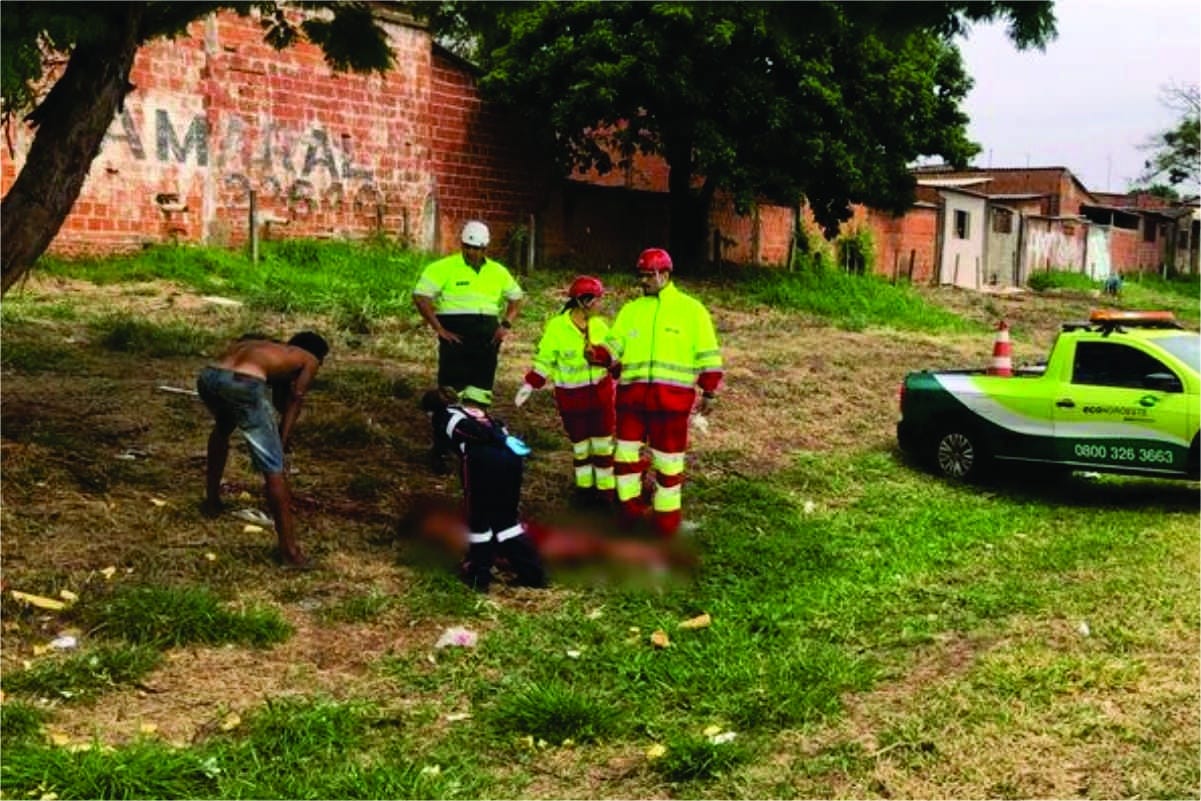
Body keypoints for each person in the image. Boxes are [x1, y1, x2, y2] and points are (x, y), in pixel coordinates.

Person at [588, 248, 723, 538]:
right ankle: (629, 517)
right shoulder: (631, 311)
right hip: (631, 401)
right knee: (624, 460)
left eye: (649, 276)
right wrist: (599, 355)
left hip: (671, 403)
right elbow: (615, 346)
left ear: (665, 274)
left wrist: (709, 391)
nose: (643, 281)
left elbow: (708, 355)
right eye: (641, 276)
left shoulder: (692, 311)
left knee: (669, 464)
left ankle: (665, 524)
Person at [196, 332, 330, 567]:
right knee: (273, 466)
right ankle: (290, 552)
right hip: (244, 384)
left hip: (209, 376)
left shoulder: (270, 348)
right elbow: (296, 398)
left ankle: (211, 501)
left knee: (223, 427)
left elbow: (280, 398)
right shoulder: (310, 359)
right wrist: (283, 438)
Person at [413, 220, 524, 473]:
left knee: (479, 397)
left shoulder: (498, 271)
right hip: (456, 339)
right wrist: (439, 329)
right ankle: (439, 450)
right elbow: (421, 295)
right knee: (449, 395)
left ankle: (471, 449)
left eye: (477, 248)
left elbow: (516, 298)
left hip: (486, 341)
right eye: (467, 247)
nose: (472, 252)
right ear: (462, 245)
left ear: (486, 248)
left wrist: (505, 324)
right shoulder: (443, 267)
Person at [420, 386, 546, 592]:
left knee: (478, 519)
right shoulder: (479, 413)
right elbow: (498, 431)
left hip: (482, 463)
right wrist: (502, 439)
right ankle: (532, 573)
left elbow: (471, 433)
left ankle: (478, 575)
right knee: (506, 522)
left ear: (431, 410)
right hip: (511, 462)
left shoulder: (446, 416)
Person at [514, 275, 617, 506]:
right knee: (580, 447)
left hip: (601, 399)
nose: (600, 304)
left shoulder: (600, 326)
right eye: (597, 300)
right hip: (573, 400)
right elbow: (545, 360)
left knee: (602, 446)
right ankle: (584, 491)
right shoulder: (557, 328)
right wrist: (531, 383)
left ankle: (605, 495)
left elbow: (614, 358)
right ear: (584, 302)